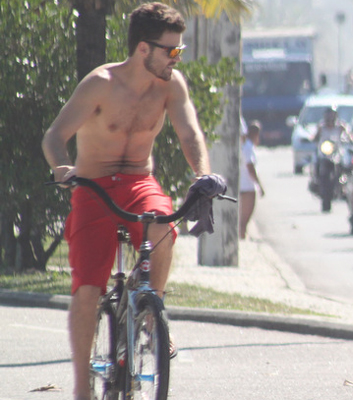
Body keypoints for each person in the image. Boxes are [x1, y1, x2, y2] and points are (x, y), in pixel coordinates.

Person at [41, 3, 212, 399]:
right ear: (143, 50)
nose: (177, 58)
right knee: (87, 290)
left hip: (139, 180)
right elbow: (54, 136)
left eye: (179, 52)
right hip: (93, 187)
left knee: (165, 230)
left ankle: (152, 314)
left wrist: (202, 175)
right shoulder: (100, 84)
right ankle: (83, 386)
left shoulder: (171, 84)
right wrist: (61, 168)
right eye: (171, 51)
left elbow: (190, 134)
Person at [239, 120, 265, 239]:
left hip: (244, 185)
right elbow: (250, 167)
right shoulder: (248, 147)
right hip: (247, 187)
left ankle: (243, 236)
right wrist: (259, 185)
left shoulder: (246, 146)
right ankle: (242, 238)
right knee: (244, 219)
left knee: (243, 219)